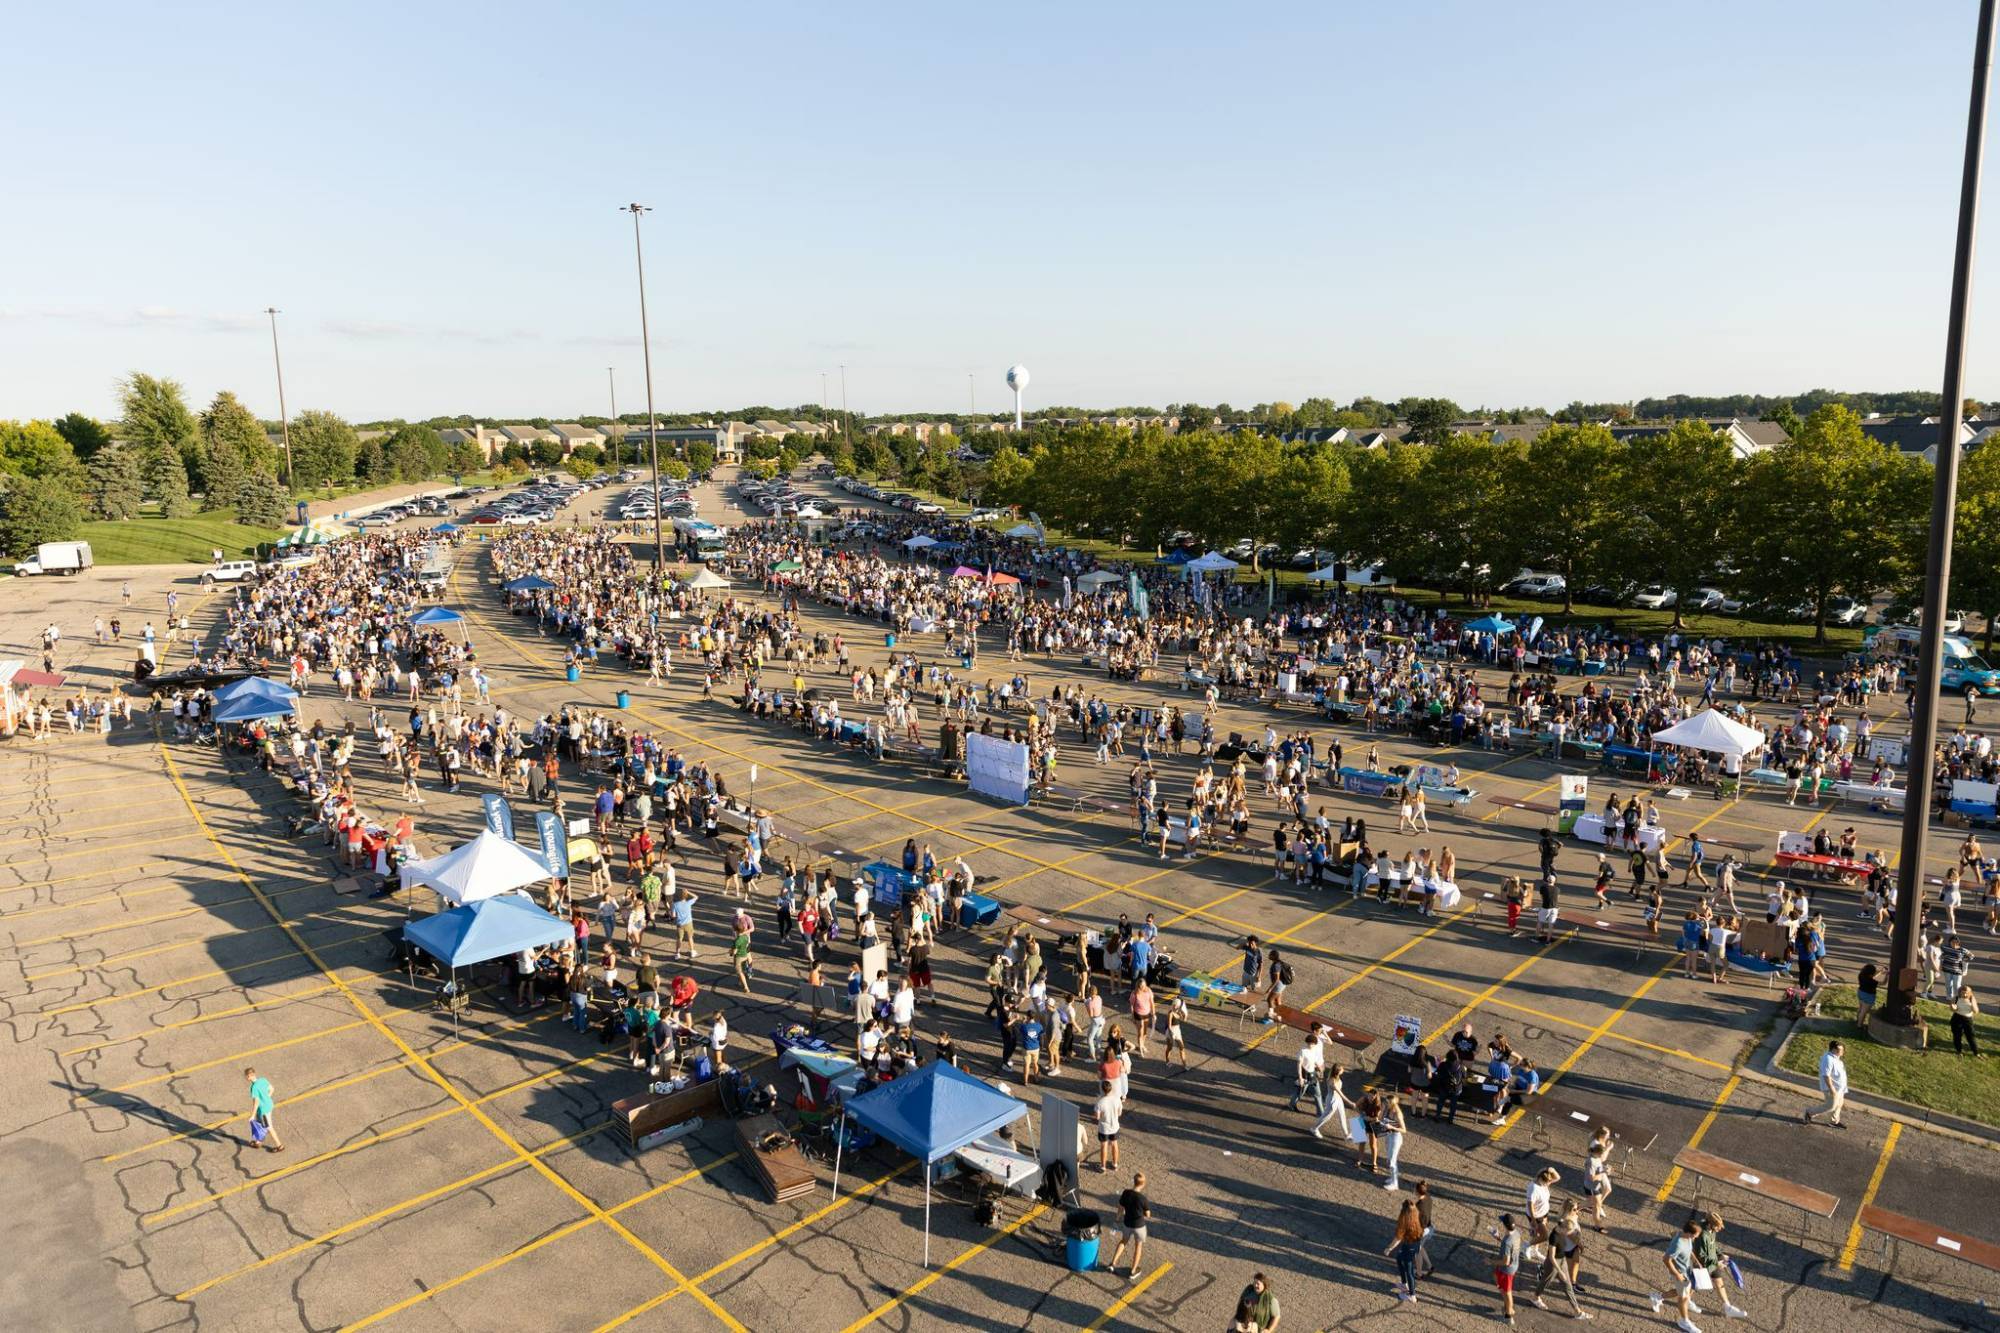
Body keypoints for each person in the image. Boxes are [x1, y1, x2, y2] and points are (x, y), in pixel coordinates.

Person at [1530, 1197, 1591, 1319]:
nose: (1569, 1234)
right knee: (1544, 1283)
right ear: (1563, 1228)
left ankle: (1578, 1312)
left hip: (1561, 1260)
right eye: (1568, 1232)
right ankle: (1535, 1298)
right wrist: (1559, 1271)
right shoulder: (1554, 1237)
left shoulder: (1563, 1228)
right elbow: (1551, 1257)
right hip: (1553, 1264)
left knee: (1568, 1286)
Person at [1649, 1216, 1706, 1333]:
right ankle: (1684, 1321)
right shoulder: (1678, 1244)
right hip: (1679, 1273)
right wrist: (1677, 1274)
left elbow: (1689, 1250)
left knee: (1684, 1292)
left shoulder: (1687, 1237)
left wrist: (1696, 1262)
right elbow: (1665, 1259)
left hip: (1687, 1270)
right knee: (1683, 1297)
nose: (1697, 1236)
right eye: (1696, 1234)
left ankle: (1658, 1297)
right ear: (1689, 1233)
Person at [1693, 1211, 1748, 1321]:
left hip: (1712, 1262)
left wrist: (1720, 1254)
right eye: (1718, 1227)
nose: (1720, 1229)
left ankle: (1728, 1308)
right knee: (1689, 1287)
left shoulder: (1711, 1230)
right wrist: (1716, 1263)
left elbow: (1713, 1244)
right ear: (1711, 1224)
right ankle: (1659, 1297)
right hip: (1702, 1265)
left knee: (1719, 1282)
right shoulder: (1702, 1235)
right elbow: (1701, 1255)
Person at [1106, 1170, 1150, 1280]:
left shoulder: (1126, 1193)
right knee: (1138, 1246)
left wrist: (1117, 1219)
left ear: (1134, 1182)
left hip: (1127, 1223)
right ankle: (1133, 1271)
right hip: (1139, 1226)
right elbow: (1148, 1214)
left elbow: (1120, 1207)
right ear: (1143, 1184)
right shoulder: (1143, 1199)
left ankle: (1112, 1263)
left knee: (1123, 1241)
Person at [1385, 1197, 1425, 1303]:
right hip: (1413, 1245)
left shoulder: (1404, 1223)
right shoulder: (1417, 1217)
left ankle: (1412, 1295)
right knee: (1399, 1258)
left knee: (1409, 1271)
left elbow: (1398, 1238)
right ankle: (1404, 1284)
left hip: (1409, 1247)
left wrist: (1389, 1248)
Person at [1803, 1038, 1847, 1127]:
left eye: (1842, 1049)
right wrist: (1832, 1089)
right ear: (1833, 1050)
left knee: (1839, 1105)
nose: (1842, 1051)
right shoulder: (1828, 1059)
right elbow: (1826, 1075)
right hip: (1832, 1088)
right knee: (1831, 1106)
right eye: (1840, 1050)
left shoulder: (1836, 1058)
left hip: (1840, 1088)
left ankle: (1833, 1121)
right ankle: (1809, 1113)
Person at [1491, 1212, 1523, 1325]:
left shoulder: (1507, 1241)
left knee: (1507, 1292)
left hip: (1507, 1270)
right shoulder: (1516, 1233)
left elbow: (1506, 1261)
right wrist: (1499, 1238)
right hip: (1513, 1267)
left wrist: (1490, 1261)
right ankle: (1507, 1307)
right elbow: (1511, 1247)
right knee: (1497, 1279)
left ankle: (1509, 1315)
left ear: (1505, 1225)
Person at [245, 1067, 285, 1152]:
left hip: (263, 1110)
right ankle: (258, 1142)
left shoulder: (254, 1087)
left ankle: (279, 1145)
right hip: (269, 1104)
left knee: (269, 1127)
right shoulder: (263, 1080)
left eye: (246, 1076)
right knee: (259, 1122)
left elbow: (256, 1102)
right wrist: (267, 1098)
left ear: (249, 1076)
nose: (246, 1078)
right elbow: (272, 1089)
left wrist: (252, 1115)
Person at [1094, 1078, 1122, 1172]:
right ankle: (1115, 1164)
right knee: (1114, 1144)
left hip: (1104, 1128)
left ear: (1102, 1089)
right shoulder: (1117, 1099)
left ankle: (1103, 1166)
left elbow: (1097, 1117)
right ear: (1111, 1089)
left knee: (1104, 1146)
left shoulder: (1099, 1102)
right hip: (1114, 1126)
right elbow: (1119, 1113)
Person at [1952, 985, 1983, 1056]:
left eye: (1966, 993)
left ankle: (1976, 1052)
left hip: (1967, 1020)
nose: (1965, 995)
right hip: (1957, 1018)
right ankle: (1959, 1051)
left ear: (1970, 993)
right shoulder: (1956, 998)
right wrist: (1953, 1008)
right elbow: (1952, 1008)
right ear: (1960, 992)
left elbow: (1976, 1011)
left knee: (1971, 1036)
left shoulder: (1972, 998)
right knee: (1957, 1036)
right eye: (1963, 993)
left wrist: (1972, 1005)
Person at [1854, 961, 1880, 1030]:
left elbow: (1872, 977)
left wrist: (1881, 972)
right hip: (1868, 997)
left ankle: (1857, 1020)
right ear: (1871, 974)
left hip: (1861, 993)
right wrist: (1887, 976)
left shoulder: (1861, 975)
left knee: (1860, 1008)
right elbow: (1883, 983)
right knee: (1864, 1012)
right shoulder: (1873, 982)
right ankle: (1859, 1026)